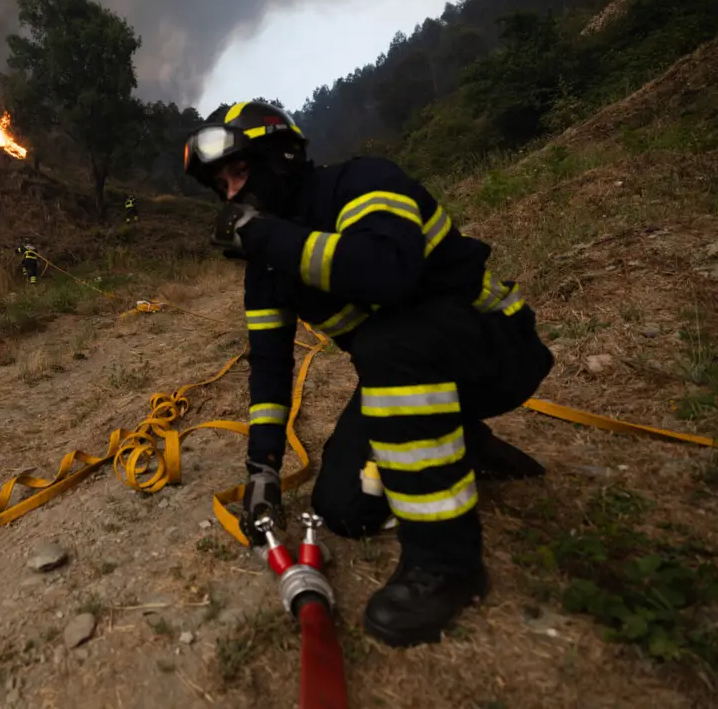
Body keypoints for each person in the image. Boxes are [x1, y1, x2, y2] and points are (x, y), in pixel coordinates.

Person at [183, 100, 554, 648]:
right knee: (343, 508)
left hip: (495, 350)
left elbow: (386, 273)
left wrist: (264, 237)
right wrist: (262, 469)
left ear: (281, 156)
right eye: (221, 186)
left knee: (389, 338)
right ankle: (462, 444)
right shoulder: (267, 266)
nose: (232, 195)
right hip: (415, 376)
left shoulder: (361, 182)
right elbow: (268, 363)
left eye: (239, 172)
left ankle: (448, 563)